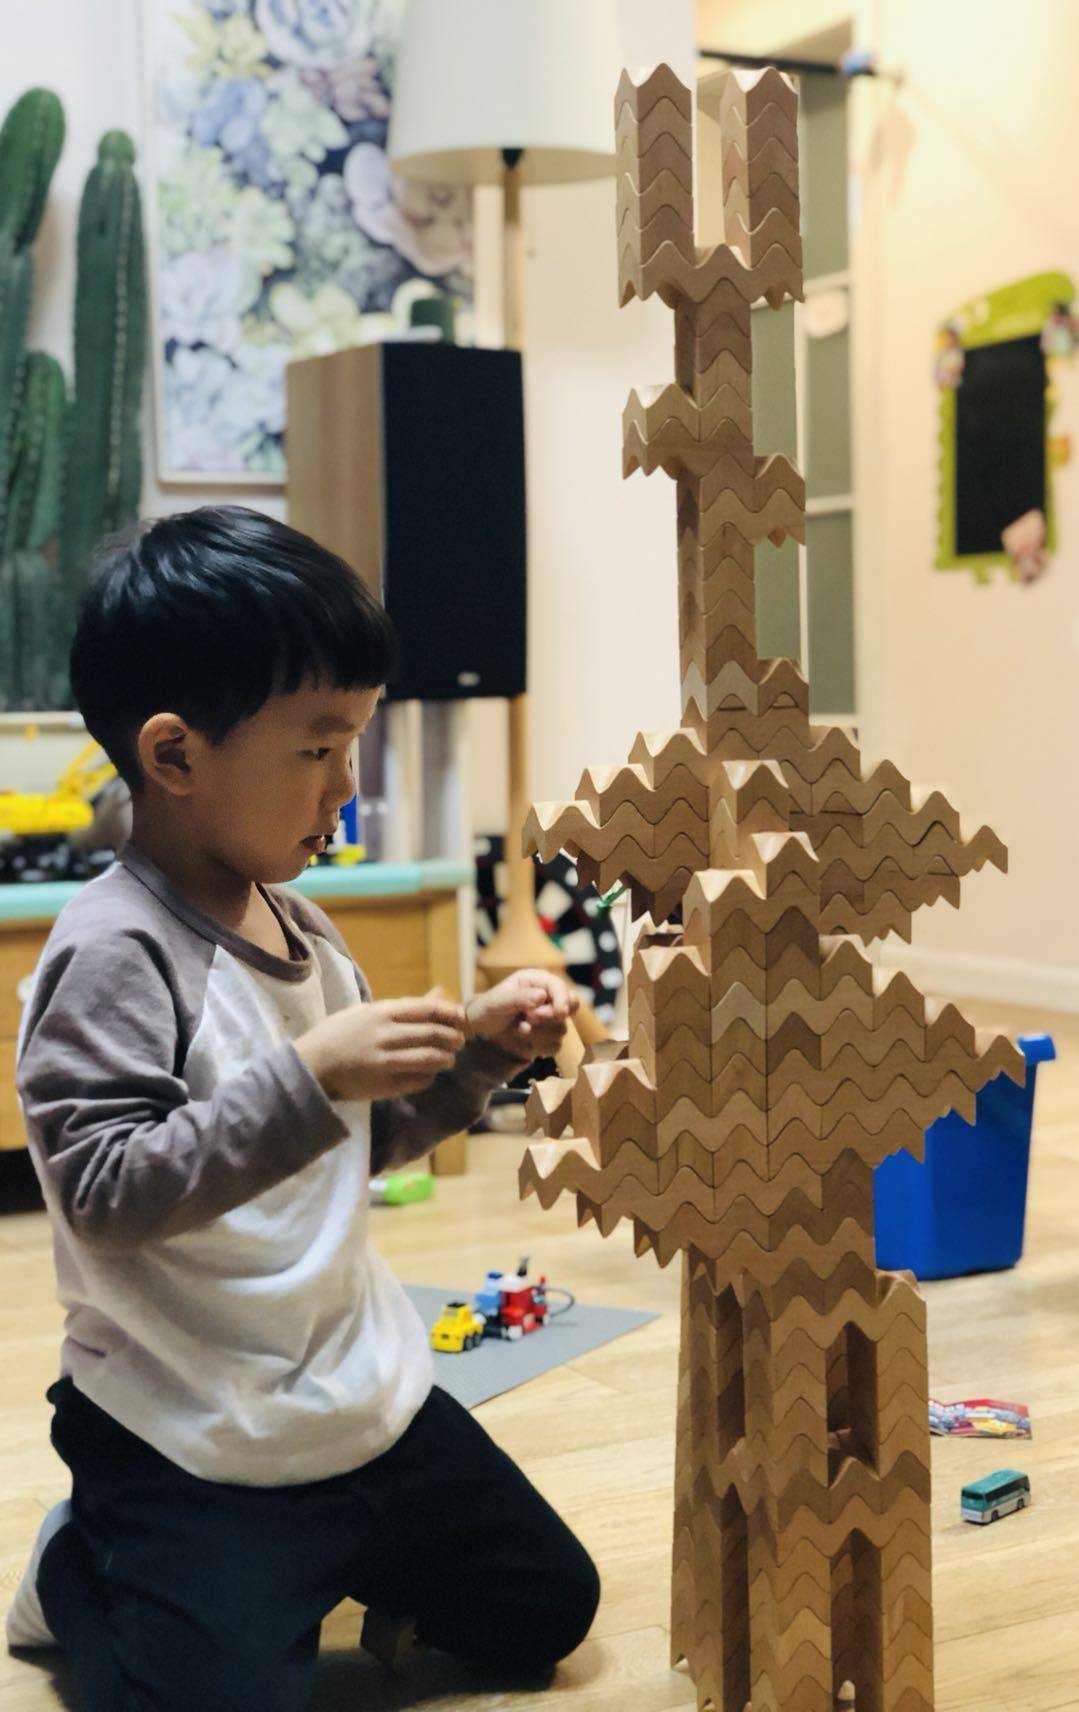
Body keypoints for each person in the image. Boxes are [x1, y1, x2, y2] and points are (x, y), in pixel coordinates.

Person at [5, 506, 598, 1710]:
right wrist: (309, 1073)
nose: (349, 782)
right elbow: (107, 1195)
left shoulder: (305, 926)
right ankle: (82, 1565)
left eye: (354, 740)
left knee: (546, 1607)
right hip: (183, 1429)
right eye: (318, 747)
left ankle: (317, 1560)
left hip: (349, 1390)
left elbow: (352, 1146)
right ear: (174, 756)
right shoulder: (114, 951)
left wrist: (475, 1059)